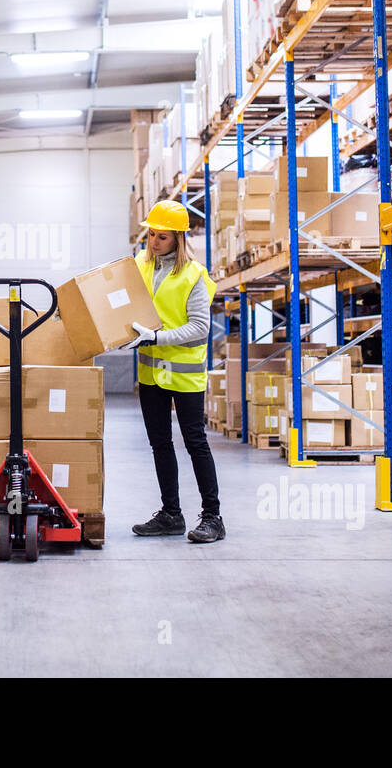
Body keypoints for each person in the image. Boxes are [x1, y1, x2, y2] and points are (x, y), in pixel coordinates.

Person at [124, 200, 224, 543]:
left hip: (184, 375)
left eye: (161, 237)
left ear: (178, 239)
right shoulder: (140, 265)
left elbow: (199, 327)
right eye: (151, 234)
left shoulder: (193, 275)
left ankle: (213, 517)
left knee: (196, 442)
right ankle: (171, 514)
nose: (153, 242)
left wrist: (156, 337)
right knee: (160, 444)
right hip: (151, 375)